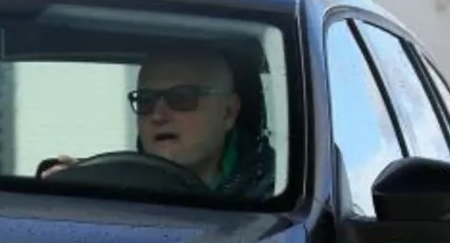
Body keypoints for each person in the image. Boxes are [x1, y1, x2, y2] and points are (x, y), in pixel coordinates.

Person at [39, 46, 277, 198]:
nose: (158, 115)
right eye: (145, 100)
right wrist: (80, 185)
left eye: (182, 98)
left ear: (228, 112)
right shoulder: (112, 187)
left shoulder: (277, 193)